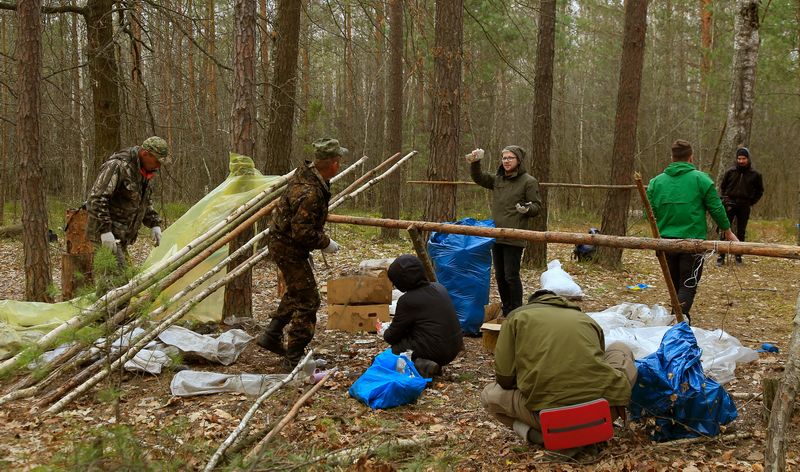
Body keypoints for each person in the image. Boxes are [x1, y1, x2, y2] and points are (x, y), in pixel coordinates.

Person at [480, 289, 637, 451]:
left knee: (489, 395)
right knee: (620, 347)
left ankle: (541, 438)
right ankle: (598, 428)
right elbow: (599, 361)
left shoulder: (516, 318)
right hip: (601, 411)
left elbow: (505, 377)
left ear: (533, 304)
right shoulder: (586, 319)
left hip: (549, 418)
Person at [257, 138, 345, 370]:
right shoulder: (310, 191)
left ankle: (272, 334)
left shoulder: (310, 176)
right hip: (288, 246)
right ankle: (293, 357)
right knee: (309, 300)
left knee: (298, 291)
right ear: (334, 164)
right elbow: (302, 231)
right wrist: (326, 243)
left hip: (285, 243)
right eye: (339, 161)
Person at [646, 139, 738, 324]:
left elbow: (648, 212)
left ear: (672, 157)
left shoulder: (656, 182)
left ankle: (679, 316)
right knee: (687, 284)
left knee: (675, 283)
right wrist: (728, 231)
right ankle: (679, 320)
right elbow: (716, 208)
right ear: (690, 157)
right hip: (692, 241)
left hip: (665, 241)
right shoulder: (700, 179)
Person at [467, 146, 542, 316]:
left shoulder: (528, 181)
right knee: (500, 277)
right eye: (504, 158)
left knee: (511, 276)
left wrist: (527, 210)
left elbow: (537, 206)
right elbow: (479, 178)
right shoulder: (498, 180)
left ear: (519, 161)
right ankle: (507, 309)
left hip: (515, 236)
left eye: (510, 158)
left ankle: (516, 311)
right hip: (496, 235)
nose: (506, 161)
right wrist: (476, 162)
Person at [86, 136, 170, 268]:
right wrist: (104, 231)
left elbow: (143, 201)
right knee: (119, 282)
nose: (158, 166)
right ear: (145, 154)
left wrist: (154, 223)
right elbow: (96, 198)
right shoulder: (118, 165)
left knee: (121, 282)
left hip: (120, 236)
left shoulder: (142, 171)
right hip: (105, 234)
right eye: (157, 161)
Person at [382, 254, 464, 378]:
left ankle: (421, 366)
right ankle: (429, 363)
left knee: (395, 351)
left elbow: (391, 336)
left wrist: (384, 331)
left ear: (401, 280)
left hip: (436, 350)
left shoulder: (408, 300)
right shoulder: (439, 287)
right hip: (454, 346)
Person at [717, 147, 764, 266]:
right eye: (739, 158)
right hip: (729, 204)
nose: (741, 161)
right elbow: (723, 187)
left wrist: (751, 201)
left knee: (741, 231)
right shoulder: (730, 172)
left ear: (748, 159)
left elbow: (760, 191)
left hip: (744, 205)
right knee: (724, 229)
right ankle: (721, 256)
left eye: (743, 158)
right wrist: (725, 199)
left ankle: (738, 256)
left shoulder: (755, 175)